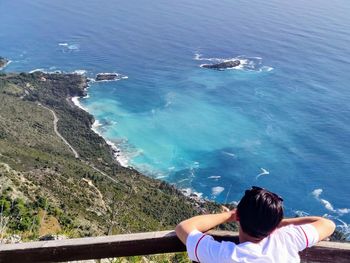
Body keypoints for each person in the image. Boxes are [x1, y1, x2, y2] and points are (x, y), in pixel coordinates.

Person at [175, 186, 335, 263]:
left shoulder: (226, 256)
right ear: (274, 226)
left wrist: (229, 214)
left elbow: (184, 227)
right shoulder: (288, 240)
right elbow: (327, 225)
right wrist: (278, 223)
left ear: (239, 217)